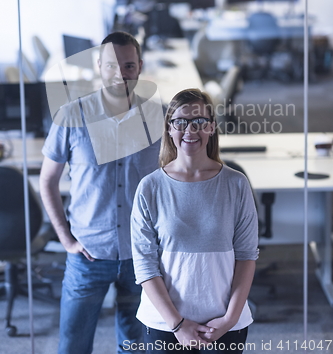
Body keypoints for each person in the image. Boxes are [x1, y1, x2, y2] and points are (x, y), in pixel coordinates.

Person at [39, 31, 163, 354]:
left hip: (142, 255)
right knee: (73, 346)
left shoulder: (158, 116)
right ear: (98, 66)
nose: (120, 75)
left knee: (137, 346)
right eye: (111, 66)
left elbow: (174, 180)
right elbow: (47, 181)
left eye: (128, 66)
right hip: (88, 254)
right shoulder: (71, 116)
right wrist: (66, 240)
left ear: (140, 67)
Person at [131, 88, 259, 353]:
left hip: (224, 322)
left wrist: (229, 319)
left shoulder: (236, 184)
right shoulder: (149, 188)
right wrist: (178, 325)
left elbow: (246, 256)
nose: (190, 130)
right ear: (169, 128)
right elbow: (145, 266)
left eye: (199, 121)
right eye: (181, 122)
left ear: (211, 127)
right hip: (165, 323)